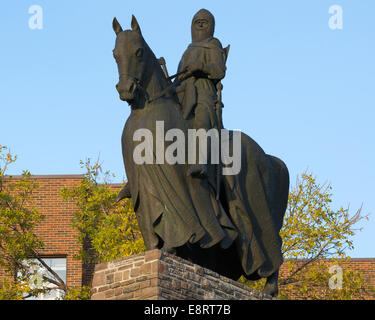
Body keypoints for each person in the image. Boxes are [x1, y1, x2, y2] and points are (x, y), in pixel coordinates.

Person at [176, 9, 228, 178]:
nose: (200, 24)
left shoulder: (213, 45)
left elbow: (219, 71)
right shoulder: (188, 50)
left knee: (201, 117)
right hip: (182, 91)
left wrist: (201, 66)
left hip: (203, 91)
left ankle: (201, 160)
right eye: (196, 21)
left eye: (204, 21)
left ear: (211, 26)